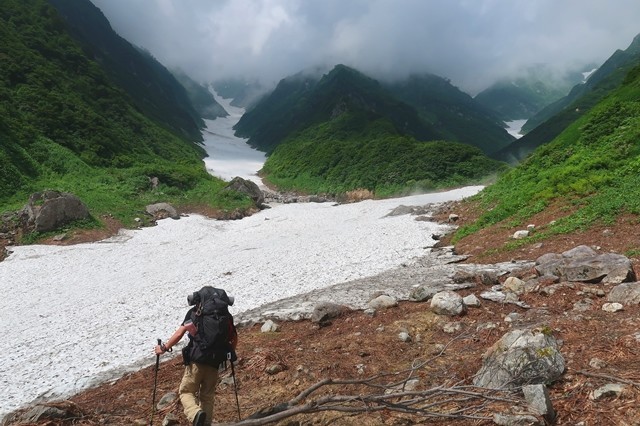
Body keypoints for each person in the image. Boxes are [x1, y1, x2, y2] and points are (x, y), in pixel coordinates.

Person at [155, 288, 238, 426]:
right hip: (215, 362)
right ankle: (205, 424)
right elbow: (234, 338)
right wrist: (227, 354)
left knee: (186, 392)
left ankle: (195, 414)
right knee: (207, 397)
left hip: (197, 361)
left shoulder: (195, 313)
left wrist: (163, 348)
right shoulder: (226, 316)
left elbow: (179, 334)